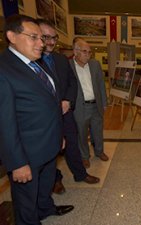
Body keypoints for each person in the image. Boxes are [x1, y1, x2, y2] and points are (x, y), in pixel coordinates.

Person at [0, 14, 73, 225]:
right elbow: (5, 123)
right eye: (34, 37)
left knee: (45, 186)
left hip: (48, 145)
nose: (41, 43)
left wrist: (59, 137)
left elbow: (51, 104)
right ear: (12, 36)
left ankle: (46, 209)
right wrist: (17, 163)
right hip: (26, 153)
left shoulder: (36, 63)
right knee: (25, 202)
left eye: (42, 38)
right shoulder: (4, 70)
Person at [37, 19, 100, 194]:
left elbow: (72, 82)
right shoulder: (32, 60)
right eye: (45, 37)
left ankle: (80, 174)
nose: (50, 42)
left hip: (65, 113)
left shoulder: (60, 59)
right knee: (51, 150)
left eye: (54, 38)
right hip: (44, 117)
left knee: (72, 144)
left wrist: (67, 100)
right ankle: (55, 179)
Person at [69, 38, 108, 169]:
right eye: (85, 51)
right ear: (75, 51)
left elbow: (101, 85)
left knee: (98, 130)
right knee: (82, 133)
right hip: (80, 107)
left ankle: (99, 151)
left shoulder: (95, 64)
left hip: (96, 105)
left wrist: (104, 103)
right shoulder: (69, 66)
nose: (88, 55)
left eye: (89, 52)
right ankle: (85, 157)